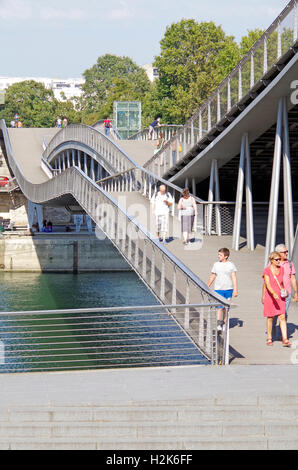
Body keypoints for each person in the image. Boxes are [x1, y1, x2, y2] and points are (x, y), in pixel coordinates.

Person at [262, 251, 291, 347]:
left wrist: (285, 291)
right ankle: (269, 338)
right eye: (277, 259)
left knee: (282, 317)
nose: (279, 261)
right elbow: (267, 284)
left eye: (279, 259)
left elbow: (283, 282)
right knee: (270, 317)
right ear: (271, 260)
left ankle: (285, 339)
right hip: (270, 296)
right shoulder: (267, 270)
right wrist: (272, 293)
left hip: (280, 296)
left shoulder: (282, 269)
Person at [207, 248, 238, 332]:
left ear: (226, 256)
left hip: (228, 289)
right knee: (219, 307)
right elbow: (213, 275)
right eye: (218, 254)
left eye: (220, 255)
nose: (218, 256)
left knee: (226, 308)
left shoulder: (231, 265)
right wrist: (208, 285)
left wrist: (235, 289)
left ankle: (225, 323)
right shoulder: (216, 264)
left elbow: (234, 277)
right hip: (218, 289)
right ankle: (219, 324)